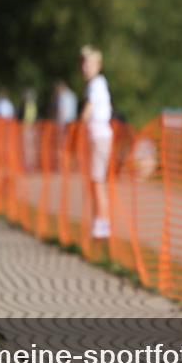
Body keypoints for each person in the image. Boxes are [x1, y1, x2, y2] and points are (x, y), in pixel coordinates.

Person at [79, 46, 114, 239]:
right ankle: (100, 222)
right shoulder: (96, 84)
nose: (85, 67)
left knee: (97, 180)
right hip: (97, 136)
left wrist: (78, 125)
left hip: (99, 137)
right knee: (96, 180)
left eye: (89, 63)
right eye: (84, 63)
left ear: (98, 65)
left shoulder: (96, 84)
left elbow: (88, 109)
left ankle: (103, 224)